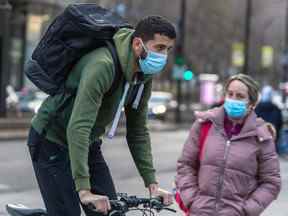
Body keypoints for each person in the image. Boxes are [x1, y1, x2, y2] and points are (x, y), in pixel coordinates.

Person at [27, 15, 176, 216]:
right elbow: (78, 127)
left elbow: (138, 131)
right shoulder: (103, 65)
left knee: (111, 211)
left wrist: (152, 183)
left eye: (168, 49)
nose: (164, 55)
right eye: (159, 48)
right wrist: (84, 190)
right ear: (137, 44)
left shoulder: (143, 75)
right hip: (51, 139)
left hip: (87, 143)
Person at [176, 74, 281, 216]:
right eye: (230, 94)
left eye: (240, 96)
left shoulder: (261, 136)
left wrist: (247, 210)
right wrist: (192, 200)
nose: (233, 99)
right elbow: (186, 166)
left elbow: (271, 183)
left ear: (252, 103)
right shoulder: (204, 125)